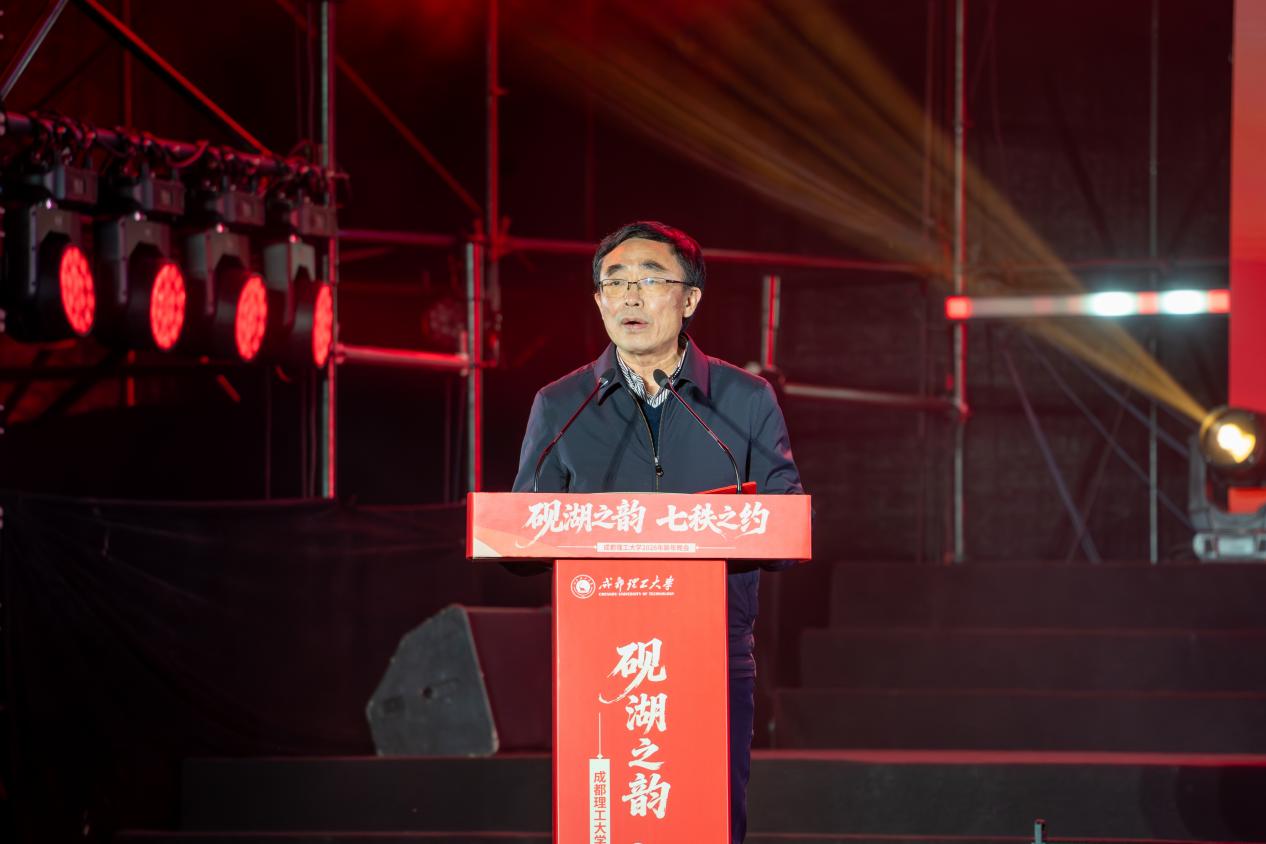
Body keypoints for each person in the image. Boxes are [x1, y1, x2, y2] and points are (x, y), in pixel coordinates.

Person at [511, 220, 805, 843]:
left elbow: (783, 522)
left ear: (690, 298)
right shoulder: (560, 405)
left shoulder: (744, 400)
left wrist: (713, 526)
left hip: (713, 651)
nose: (630, 295)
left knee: (709, 818)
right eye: (614, 282)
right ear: (599, 301)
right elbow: (521, 528)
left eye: (650, 279)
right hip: (599, 658)